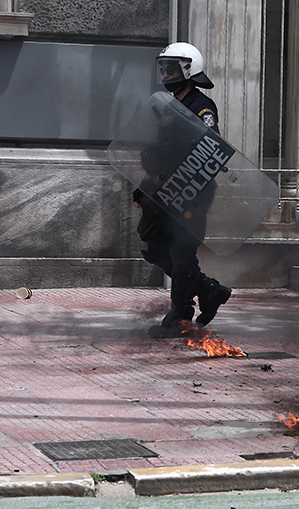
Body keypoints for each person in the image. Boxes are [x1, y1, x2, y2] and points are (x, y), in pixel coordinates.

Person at [135, 42, 231, 338]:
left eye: (172, 68)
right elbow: (161, 150)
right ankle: (208, 290)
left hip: (192, 191)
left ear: (190, 70)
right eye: (163, 68)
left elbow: (209, 149)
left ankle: (181, 313)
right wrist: (146, 184)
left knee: (181, 249)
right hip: (167, 190)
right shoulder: (170, 106)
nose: (166, 73)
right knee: (156, 247)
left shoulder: (201, 107)